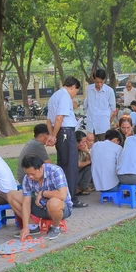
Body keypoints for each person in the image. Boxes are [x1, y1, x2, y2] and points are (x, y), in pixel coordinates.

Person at [8, 155, 73, 240]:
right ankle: (32, 227)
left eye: (32, 174)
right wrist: (25, 226)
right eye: (27, 174)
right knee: (11, 195)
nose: (30, 177)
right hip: (41, 206)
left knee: (53, 203)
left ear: (41, 168)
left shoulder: (55, 171)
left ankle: (55, 227)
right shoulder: (27, 178)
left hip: (61, 208)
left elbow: (62, 195)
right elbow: (26, 203)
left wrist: (43, 193)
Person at [46, 76, 88, 208]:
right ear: (73, 87)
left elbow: (49, 120)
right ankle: (71, 198)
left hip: (60, 132)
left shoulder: (54, 96)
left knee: (63, 165)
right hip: (66, 132)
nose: (75, 94)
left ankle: (64, 196)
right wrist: (53, 136)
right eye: (76, 91)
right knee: (70, 166)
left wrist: (53, 134)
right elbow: (59, 118)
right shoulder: (64, 96)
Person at [84, 69, 117, 141]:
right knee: (92, 148)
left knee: (103, 147)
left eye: (101, 82)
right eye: (97, 82)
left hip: (103, 126)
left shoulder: (109, 91)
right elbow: (86, 105)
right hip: (91, 125)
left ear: (104, 80)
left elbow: (113, 109)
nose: (99, 84)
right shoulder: (89, 89)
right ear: (93, 79)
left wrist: (109, 121)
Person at [76, 130, 92, 195]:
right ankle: (79, 188)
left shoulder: (83, 150)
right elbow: (78, 164)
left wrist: (87, 151)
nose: (85, 144)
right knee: (89, 167)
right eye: (83, 142)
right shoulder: (72, 150)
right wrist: (89, 162)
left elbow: (94, 160)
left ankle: (82, 187)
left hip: (78, 174)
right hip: (72, 176)